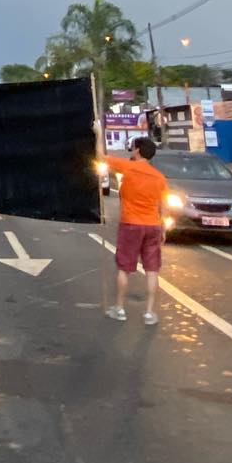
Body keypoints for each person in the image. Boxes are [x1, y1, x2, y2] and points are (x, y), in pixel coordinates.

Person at [104, 135, 167, 325]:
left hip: (131, 225)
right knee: (152, 269)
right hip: (153, 226)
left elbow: (100, 157)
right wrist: (162, 228)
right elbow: (163, 206)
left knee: (124, 268)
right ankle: (149, 313)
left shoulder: (128, 167)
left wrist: (98, 133)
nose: (132, 150)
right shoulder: (159, 177)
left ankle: (120, 308)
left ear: (138, 150)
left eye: (133, 147)